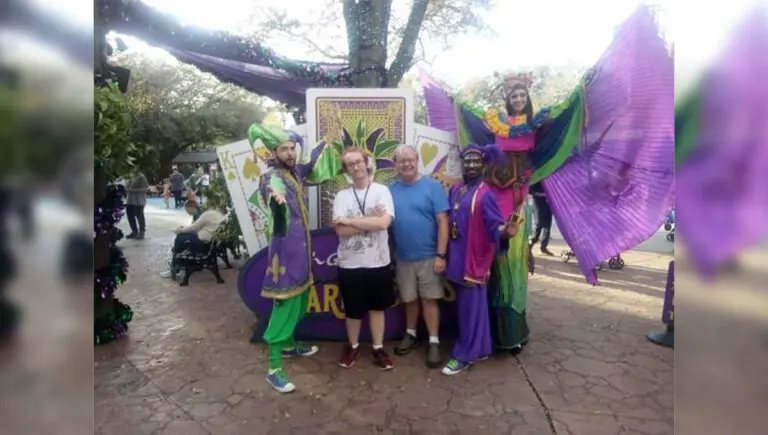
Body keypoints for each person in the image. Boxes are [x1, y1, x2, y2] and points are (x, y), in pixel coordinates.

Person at [248, 122, 343, 393]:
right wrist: (276, 197)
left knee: (301, 302)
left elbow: (311, 163)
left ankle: (289, 346)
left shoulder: (295, 173)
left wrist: (326, 142)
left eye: (292, 148)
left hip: (300, 252)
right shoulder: (272, 177)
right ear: (274, 152)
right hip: (284, 257)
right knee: (286, 307)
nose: (290, 153)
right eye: (284, 149)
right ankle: (274, 368)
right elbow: (272, 190)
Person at [442, 144, 519, 375]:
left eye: (476, 161)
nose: (472, 165)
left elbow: (494, 225)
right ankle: (481, 347)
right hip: (457, 256)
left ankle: (464, 355)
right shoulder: (457, 190)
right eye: (468, 161)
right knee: (471, 308)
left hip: (473, 260)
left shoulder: (485, 194)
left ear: (484, 164)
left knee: (469, 309)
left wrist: (506, 231)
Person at [333, 147, 396, 371]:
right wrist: (370, 219)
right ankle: (353, 346)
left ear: (366, 162)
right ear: (346, 170)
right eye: (350, 164)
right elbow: (341, 231)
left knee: (377, 308)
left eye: (358, 162)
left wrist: (351, 221)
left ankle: (378, 348)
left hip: (378, 262)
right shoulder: (342, 196)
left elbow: (383, 224)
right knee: (353, 310)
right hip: (350, 264)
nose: (356, 167)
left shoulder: (382, 191)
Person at [389, 144, 449, 368]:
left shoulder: (433, 187)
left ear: (417, 161)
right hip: (403, 257)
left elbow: (443, 221)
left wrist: (440, 255)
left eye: (410, 159)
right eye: (401, 160)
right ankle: (411, 334)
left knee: (430, 299)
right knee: (409, 299)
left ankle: (434, 342)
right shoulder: (391, 190)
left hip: (429, 256)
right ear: (395, 165)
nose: (406, 164)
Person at [528, 182, 554, 256]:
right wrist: (542, 195)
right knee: (538, 225)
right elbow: (530, 190)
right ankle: (530, 245)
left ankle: (543, 247)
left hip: (548, 203)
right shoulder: (538, 177)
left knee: (547, 226)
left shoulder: (549, 177)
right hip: (538, 203)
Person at [125, 170, 149, 240]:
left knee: (139, 216)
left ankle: (142, 232)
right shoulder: (129, 176)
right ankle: (134, 231)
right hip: (130, 200)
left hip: (139, 200)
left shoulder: (141, 177)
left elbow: (146, 189)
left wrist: (133, 190)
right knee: (130, 216)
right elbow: (126, 186)